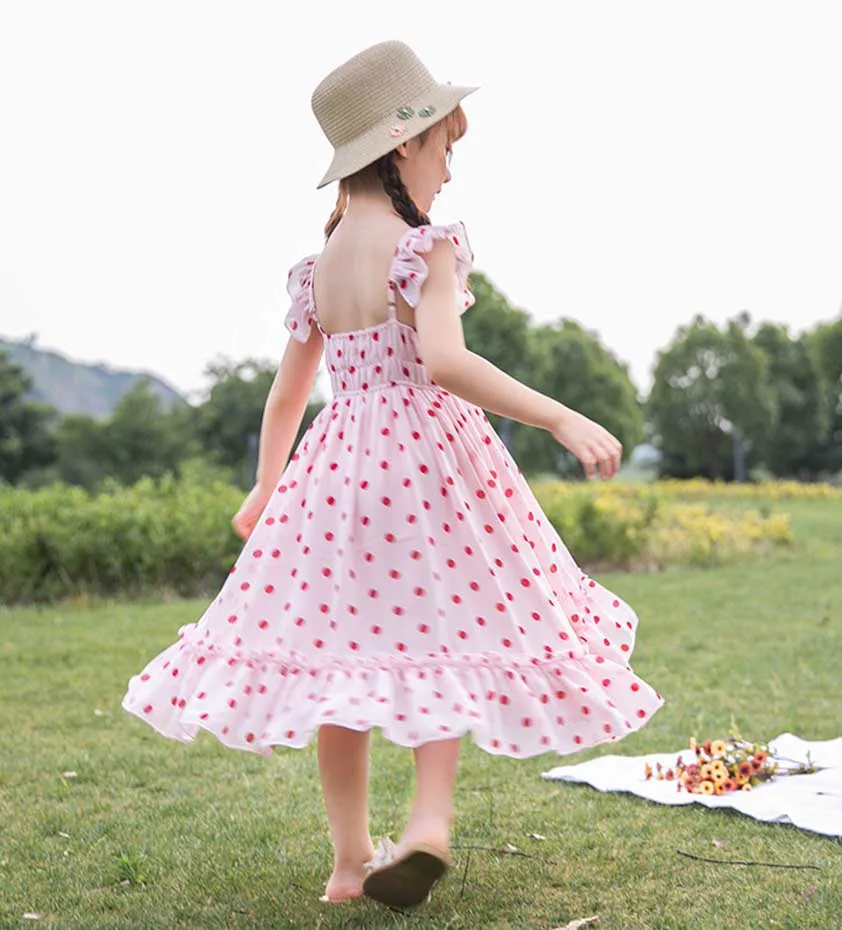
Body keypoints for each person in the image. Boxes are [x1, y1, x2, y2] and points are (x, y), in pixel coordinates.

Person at [121, 39, 663, 911]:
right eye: (445, 147)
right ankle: (426, 827)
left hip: (336, 477)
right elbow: (444, 361)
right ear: (405, 145)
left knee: (345, 659)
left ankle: (347, 862)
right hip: (427, 471)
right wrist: (559, 415)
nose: (448, 171)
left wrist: (265, 488)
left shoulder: (320, 266)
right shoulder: (428, 246)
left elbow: (287, 393)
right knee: (440, 636)